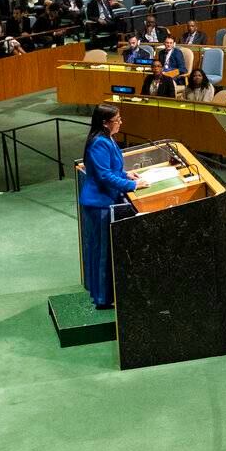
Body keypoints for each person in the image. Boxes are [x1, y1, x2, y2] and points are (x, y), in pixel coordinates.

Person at [79, 105, 148, 308]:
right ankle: (101, 299)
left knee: (105, 249)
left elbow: (111, 168)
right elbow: (104, 175)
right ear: (105, 122)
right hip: (99, 203)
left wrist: (126, 174)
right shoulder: (99, 142)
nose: (120, 122)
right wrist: (132, 185)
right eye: (117, 120)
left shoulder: (108, 138)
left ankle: (104, 294)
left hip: (106, 200)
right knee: (102, 252)